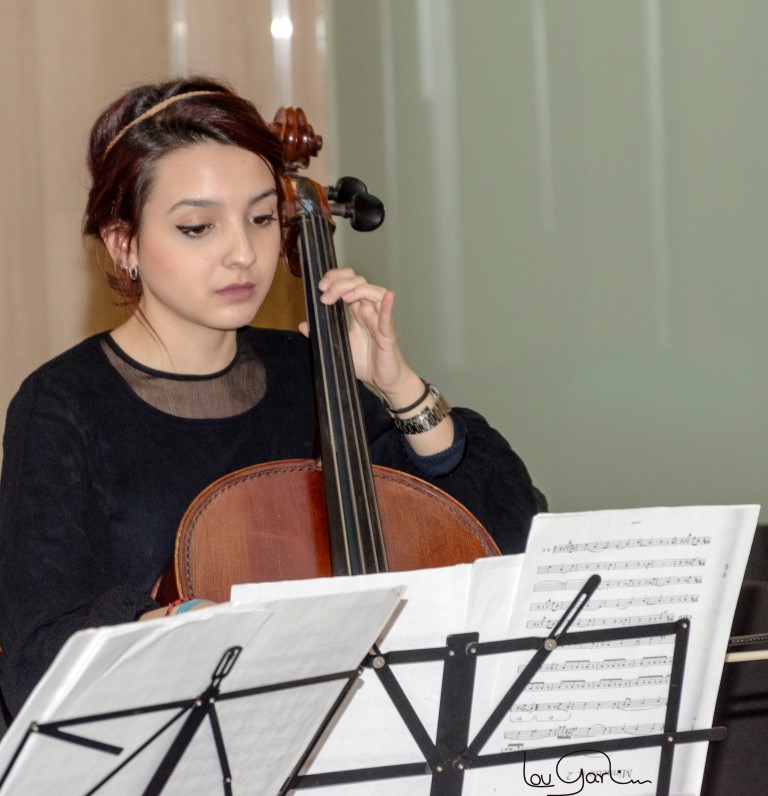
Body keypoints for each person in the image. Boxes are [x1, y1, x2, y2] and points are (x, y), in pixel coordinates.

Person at [0, 76, 545, 719]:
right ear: (125, 245)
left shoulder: (309, 375)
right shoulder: (63, 405)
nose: (243, 253)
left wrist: (399, 387)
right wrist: (188, 625)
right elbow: (37, 652)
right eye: (198, 227)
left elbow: (508, 534)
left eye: (261, 219)